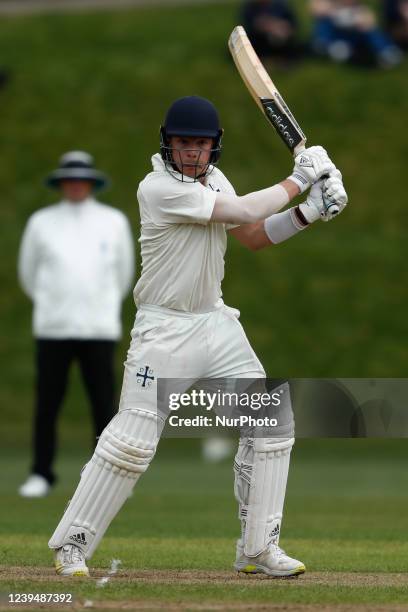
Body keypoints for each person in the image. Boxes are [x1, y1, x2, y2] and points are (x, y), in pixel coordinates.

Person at [48, 97, 347, 578]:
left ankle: (257, 549)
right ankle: (72, 545)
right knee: (132, 444)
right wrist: (301, 178)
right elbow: (248, 205)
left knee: (271, 420)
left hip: (215, 321)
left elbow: (251, 232)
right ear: (168, 144)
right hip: (163, 328)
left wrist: (308, 212)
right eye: (184, 143)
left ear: (214, 147)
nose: (192, 152)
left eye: (201, 144)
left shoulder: (214, 180)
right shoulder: (158, 188)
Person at [18, 151, 134, 498]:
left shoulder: (113, 221)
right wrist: (51, 302)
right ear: (61, 183)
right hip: (53, 327)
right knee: (48, 403)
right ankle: (41, 473)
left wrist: (103, 305)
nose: (75, 185)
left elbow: (124, 274)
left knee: (103, 404)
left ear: (91, 183)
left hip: (98, 328)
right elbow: (29, 273)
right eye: (69, 180)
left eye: (81, 180)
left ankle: (108, 479)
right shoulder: (41, 221)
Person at [310, 0, 402, 67]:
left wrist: (363, 23)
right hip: (339, 36)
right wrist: (330, 11)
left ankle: (386, 50)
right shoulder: (331, 7)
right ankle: (324, 43)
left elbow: (370, 22)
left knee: (373, 32)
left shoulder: (359, 9)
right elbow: (316, 9)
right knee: (324, 23)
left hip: (356, 37)